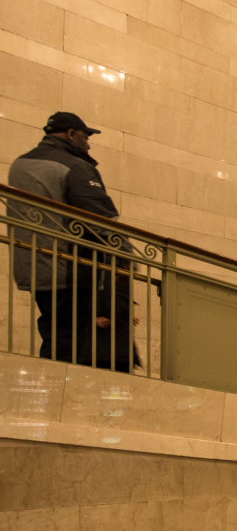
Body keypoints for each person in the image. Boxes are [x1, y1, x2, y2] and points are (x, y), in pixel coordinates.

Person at [8, 112, 140, 371]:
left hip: (33, 266)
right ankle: (61, 400)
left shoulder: (19, 165)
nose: (88, 144)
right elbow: (100, 218)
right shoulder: (76, 166)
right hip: (70, 268)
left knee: (55, 335)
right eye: (86, 137)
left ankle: (51, 393)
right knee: (74, 344)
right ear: (71, 134)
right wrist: (127, 257)